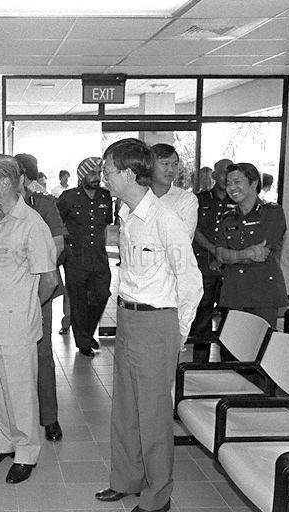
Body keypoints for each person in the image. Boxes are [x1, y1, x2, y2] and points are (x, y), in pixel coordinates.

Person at [95, 138, 202, 512]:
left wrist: (177, 334)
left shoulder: (165, 218)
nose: (104, 177)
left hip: (157, 323)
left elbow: (191, 282)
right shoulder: (126, 215)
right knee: (125, 407)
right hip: (128, 317)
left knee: (154, 415)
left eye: (108, 171)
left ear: (127, 173)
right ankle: (125, 480)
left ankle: (158, 497)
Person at [0, 154, 57, 484]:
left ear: (6, 182)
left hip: (16, 326)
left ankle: (26, 452)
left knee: (20, 392)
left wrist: (25, 310)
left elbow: (48, 280)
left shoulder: (32, 224)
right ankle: (3, 443)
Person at [14, 152, 65, 442]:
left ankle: (49, 417)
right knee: (13, 356)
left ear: (23, 177)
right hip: (9, 292)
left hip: (38, 288)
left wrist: (33, 269)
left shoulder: (43, 204)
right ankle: (20, 416)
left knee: (42, 352)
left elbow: (57, 245)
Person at [213, 163, 287, 327]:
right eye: (228, 183)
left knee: (261, 349)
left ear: (253, 183)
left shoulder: (273, 213)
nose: (231, 188)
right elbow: (220, 255)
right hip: (234, 294)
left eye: (237, 182)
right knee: (231, 350)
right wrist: (245, 253)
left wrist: (232, 256)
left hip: (262, 294)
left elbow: (262, 254)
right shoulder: (227, 218)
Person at [57, 157, 113, 358]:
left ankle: (87, 333)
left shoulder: (106, 197)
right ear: (82, 175)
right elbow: (56, 224)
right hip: (75, 258)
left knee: (102, 294)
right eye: (92, 173)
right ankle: (83, 343)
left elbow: (106, 226)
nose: (96, 177)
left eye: (98, 173)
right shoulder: (68, 197)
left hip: (98, 257)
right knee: (78, 301)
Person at [189, 158, 235, 362]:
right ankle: (199, 363)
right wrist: (214, 250)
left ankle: (228, 362)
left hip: (230, 267)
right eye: (222, 172)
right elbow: (194, 229)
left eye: (231, 173)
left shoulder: (238, 201)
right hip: (204, 263)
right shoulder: (198, 200)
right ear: (214, 175)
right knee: (203, 313)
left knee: (230, 315)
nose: (226, 177)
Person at [150, 143, 198, 237]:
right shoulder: (138, 196)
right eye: (165, 164)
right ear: (150, 165)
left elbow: (182, 239)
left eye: (175, 164)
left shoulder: (186, 199)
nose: (171, 169)